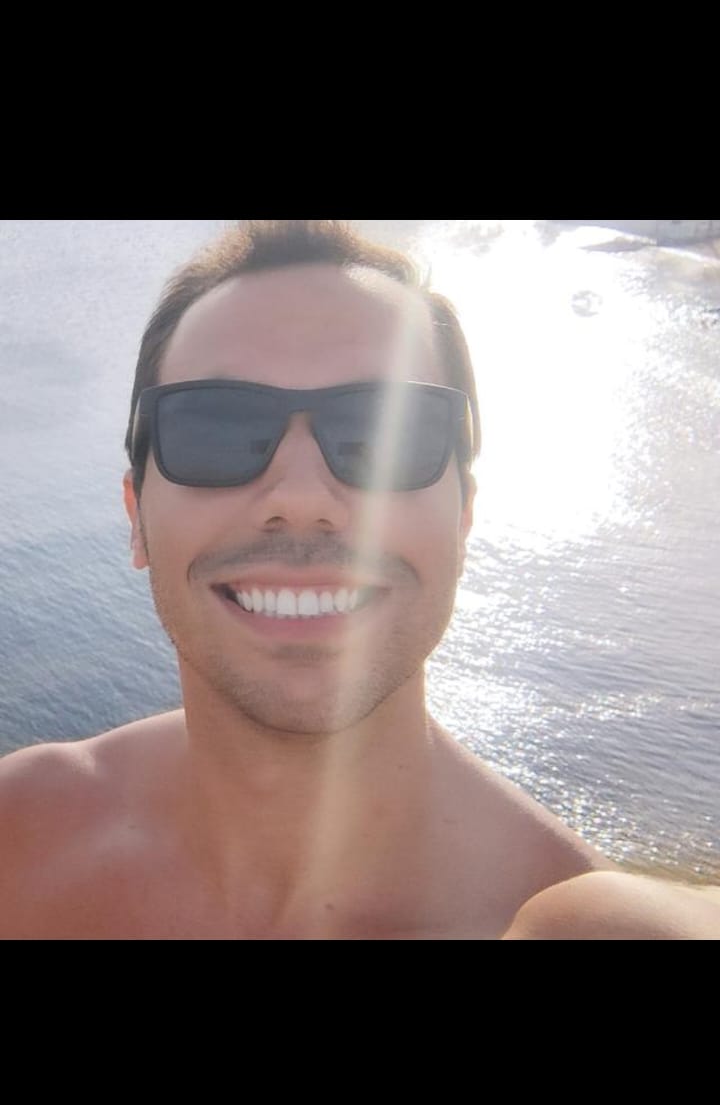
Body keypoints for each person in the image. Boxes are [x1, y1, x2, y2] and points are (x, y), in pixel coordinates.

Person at [1, 220, 718, 939]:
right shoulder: (20, 830)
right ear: (137, 519)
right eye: (216, 429)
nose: (301, 497)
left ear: (463, 518)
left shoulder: (574, 921)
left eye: (385, 434)